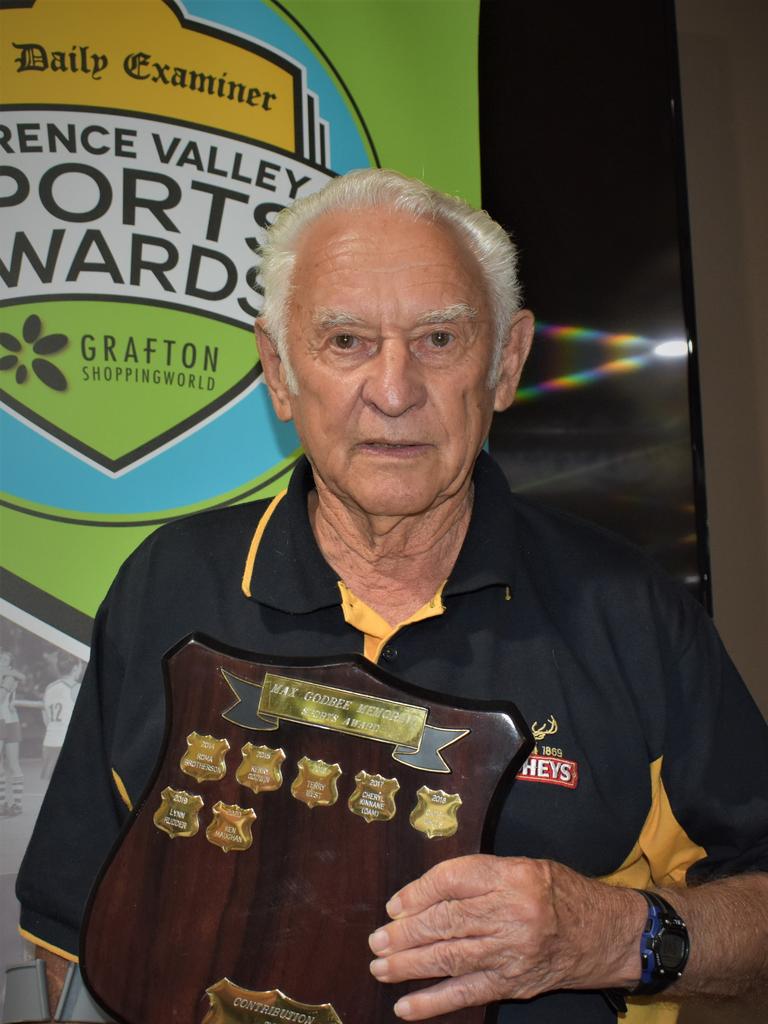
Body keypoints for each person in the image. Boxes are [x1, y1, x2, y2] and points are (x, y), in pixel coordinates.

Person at [14, 169, 768, 1024]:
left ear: (506, 363)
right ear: (278, 369)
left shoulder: (628, 610)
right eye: (345, 341)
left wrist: (607, 935)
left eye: (440, 339)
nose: (395, 389)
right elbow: (70, 930)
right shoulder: (169, 586)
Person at [40, 656, 82, 781]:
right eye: (80, 666)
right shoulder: (77, 687)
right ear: (75, 668)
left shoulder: (50, 687)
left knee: (52, 787)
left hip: (50, 741)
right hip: (69, 742)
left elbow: (45, 716)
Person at [0, 648, 26, 816]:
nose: (1, 661)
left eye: (4, 659)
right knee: (7, 764)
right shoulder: (11, 674)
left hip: (5, 721)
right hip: (10, 720)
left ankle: (13, 804)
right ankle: (7, 804)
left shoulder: (9, 677)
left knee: (12, 764)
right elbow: (22, 676)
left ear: (10, 663)